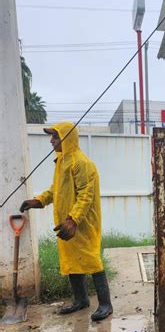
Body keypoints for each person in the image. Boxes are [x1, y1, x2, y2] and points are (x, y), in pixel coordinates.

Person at [20, 122, 113, 321]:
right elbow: (55, 189)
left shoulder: (82, 163)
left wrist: (74, 219)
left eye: (55, 137)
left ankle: (106, 303)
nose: (51, 141)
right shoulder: (62, 161)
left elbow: (86, 196)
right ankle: (81, 300)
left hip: (83, 223)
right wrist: (38, 201)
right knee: (71, 260)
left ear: (66, 138)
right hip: (67, 222)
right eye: (51, 136)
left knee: (91, 258)